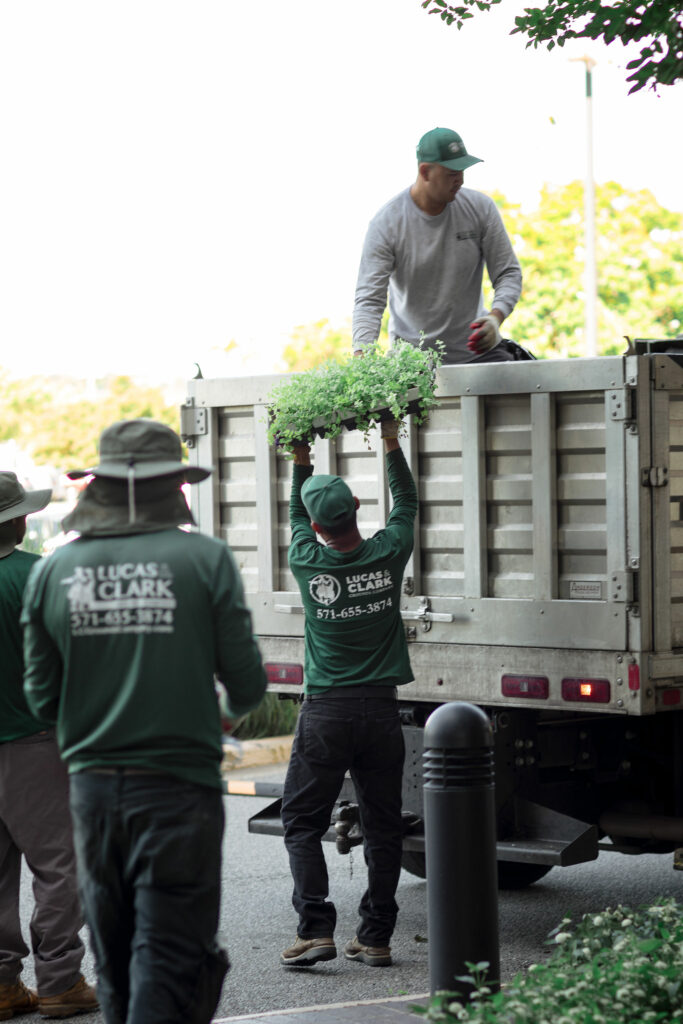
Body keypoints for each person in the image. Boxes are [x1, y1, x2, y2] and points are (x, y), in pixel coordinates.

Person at [21, 419, 268, 1024]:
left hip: (93, 791)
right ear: (173, 486)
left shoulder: (53, 570)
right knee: (170, 950)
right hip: (182, 790)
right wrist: (222, 715)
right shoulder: (204, 558)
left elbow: (41, 700)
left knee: (113, 953)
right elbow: (248, 686)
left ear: (98, 486)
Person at [280, 418, 417, 969]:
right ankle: (376, 937)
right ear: (359, 506)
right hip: (382, 712)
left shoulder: (306, 559)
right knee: (384, 827)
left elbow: (293, 513)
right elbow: (405, 499)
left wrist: (300, 458)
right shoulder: (389, 551)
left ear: (315, 526)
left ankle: (316, 930)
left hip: (327, 715)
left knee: (301, 823)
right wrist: (390, 439)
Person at [0, 471, 99, 1021]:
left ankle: (3, 986)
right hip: (35, 744)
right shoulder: (39, 577)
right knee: (60, 867)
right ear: (17, 519)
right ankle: (60, 980)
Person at [352, 126, 522, 364]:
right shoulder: (387, 224)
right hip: (413, 362)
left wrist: (495, 317)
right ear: (425, 172)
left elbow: (508, 273)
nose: (460, 179)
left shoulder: (481, 209)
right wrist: (361, 355)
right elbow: (369, 299)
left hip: (478, 355)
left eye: (462, 170)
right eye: (452, 173)